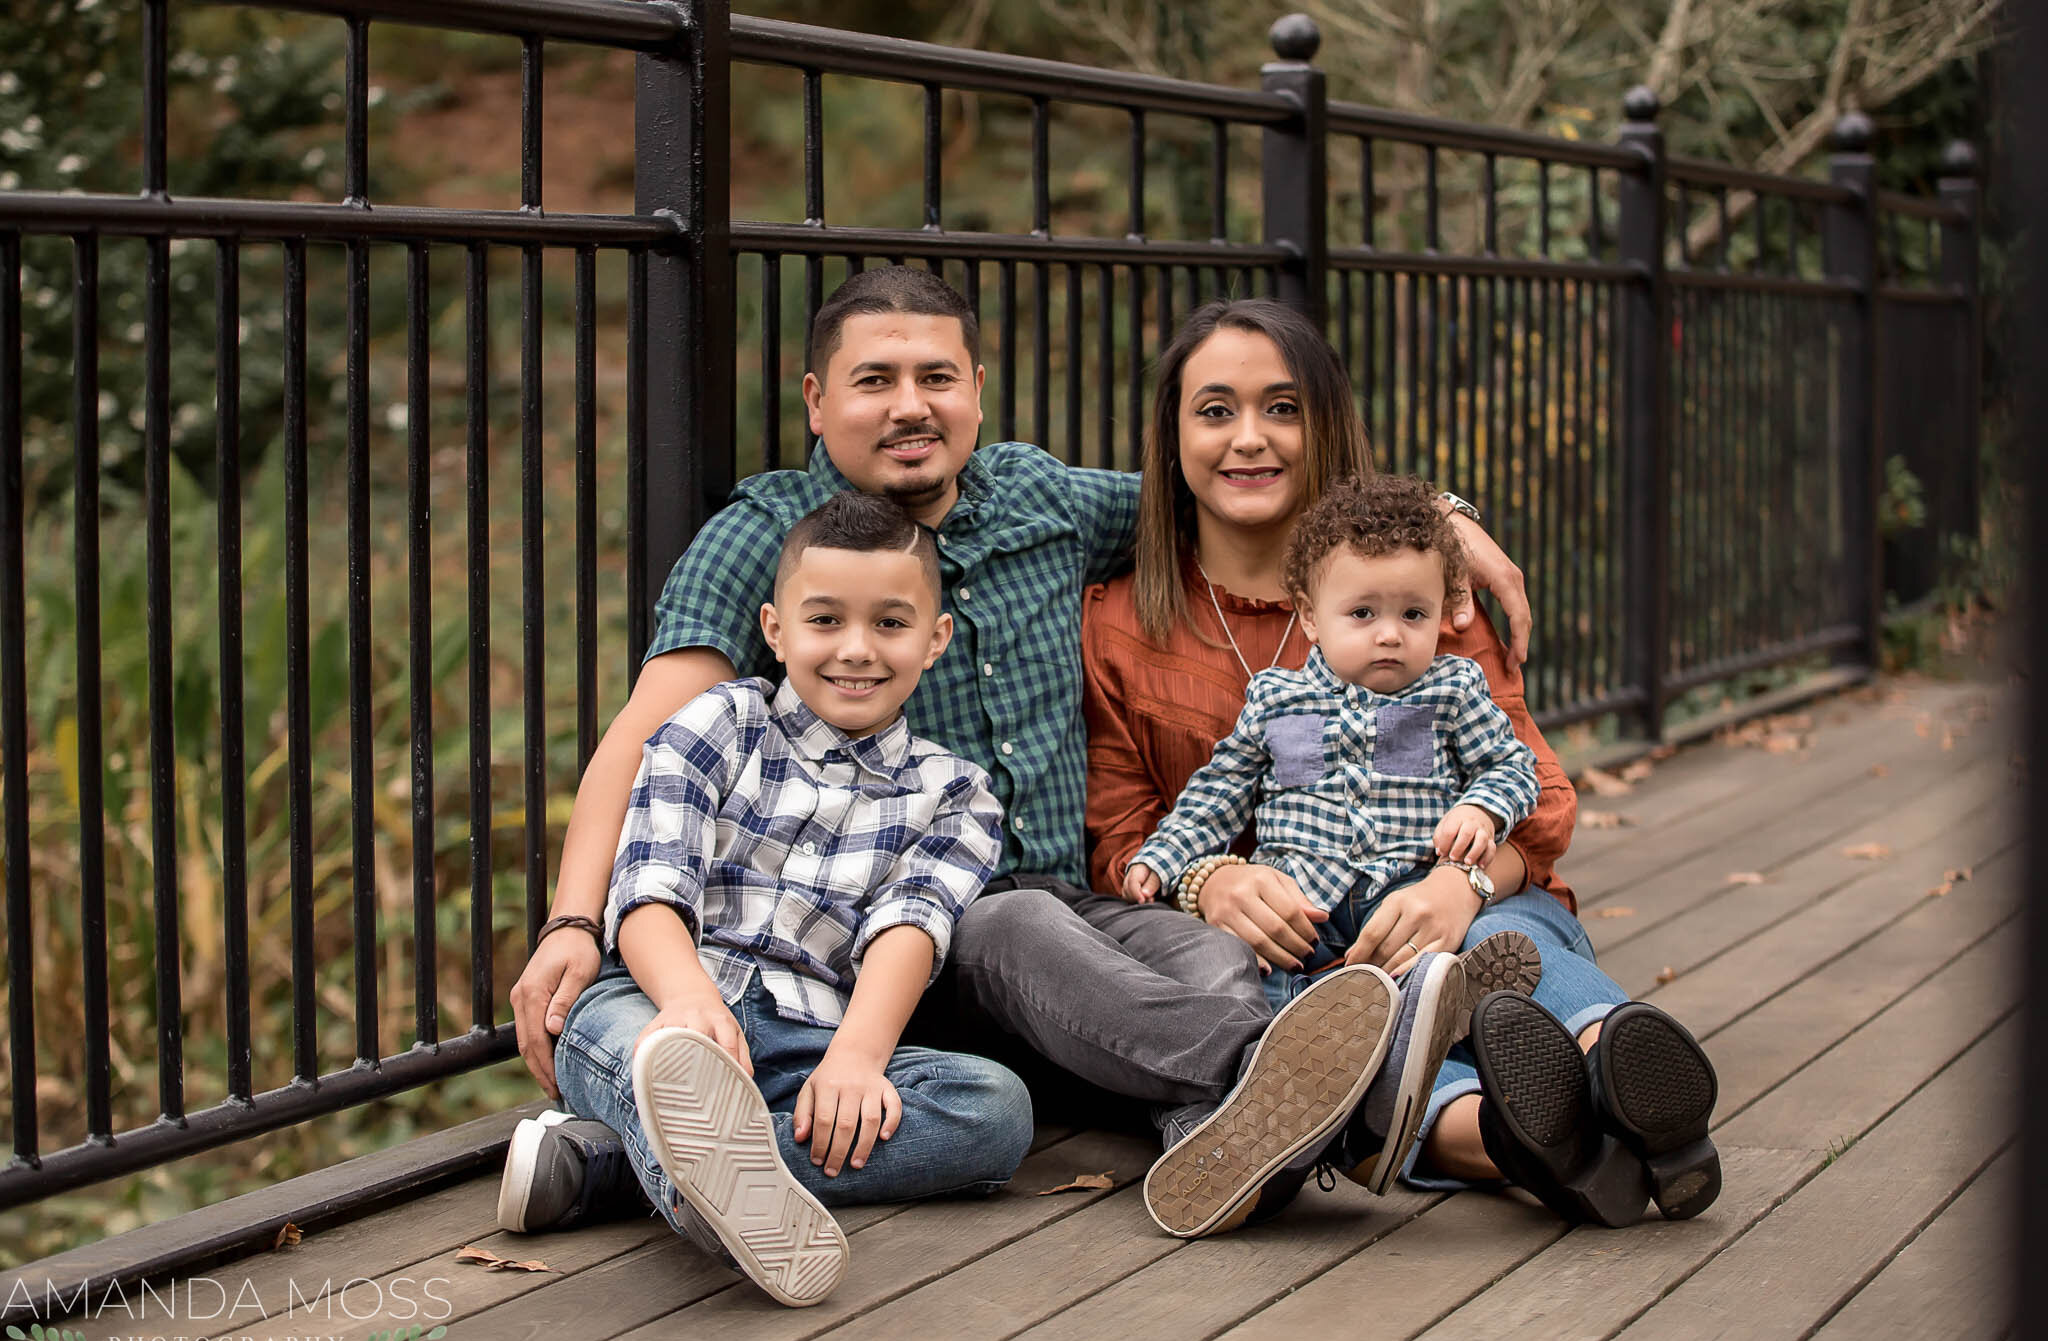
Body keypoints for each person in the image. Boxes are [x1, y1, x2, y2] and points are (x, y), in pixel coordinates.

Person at [497, 267, 1538, 1245]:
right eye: (874, 381)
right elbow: (645, 742)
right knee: (1021, 926)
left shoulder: (1038, 498)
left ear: (976, 392)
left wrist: (1444, 520)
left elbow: (1234, 475)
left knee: (1207, 953)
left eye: (935, 378)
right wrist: (574, 922)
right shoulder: (775, 536)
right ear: (817, 400)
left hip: (1073, 899)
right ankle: (1351, 1101)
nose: (910, 405)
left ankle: (1219, 1147)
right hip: (918, 925)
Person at [1083, 297, 1721, 1226]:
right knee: (1315, 1035)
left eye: (1285, 407)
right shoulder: (1119, 621)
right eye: (1215, 409)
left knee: (1510, 947)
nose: (1249, 438)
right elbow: (1122, 838)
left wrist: (1460, 882)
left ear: (1327, 424)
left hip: (1468, 900)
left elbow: (1540, 807)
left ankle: (1600, 1063)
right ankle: (1561, 1134)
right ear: (1173, 433)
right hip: (1291, 947)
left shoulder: (1420, 598)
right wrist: (1209, 881)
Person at [529, 491, 1032, 1308]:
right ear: (774, 628)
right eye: (825, 620)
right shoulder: (718, 723)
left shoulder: (956, 792)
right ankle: (704, 1169)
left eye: (891, 624)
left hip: (811, 1044)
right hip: (658, 1002)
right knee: (629, 1047)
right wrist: (690, 1000)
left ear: (936, 639)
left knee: (996, 1110)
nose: (857, 650)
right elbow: (651, 888)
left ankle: (637, 1171)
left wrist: (859, 1057)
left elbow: (912, 923)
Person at [1122, 474, 1545, 1203]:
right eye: (1363, 613)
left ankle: (1438, 1014)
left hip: (1405, 902)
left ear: (1443, 614)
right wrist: (1161, 858)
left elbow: (1514, 767)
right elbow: (1218, 794)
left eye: (1414, 613)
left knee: (1418, 976)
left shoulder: (1451, 691)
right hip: (1304, 917)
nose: (1390, 632)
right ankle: (1273, 1094)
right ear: (1311, 618)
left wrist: (1483, 810)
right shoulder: (1276, 699)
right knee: (1261, 990)